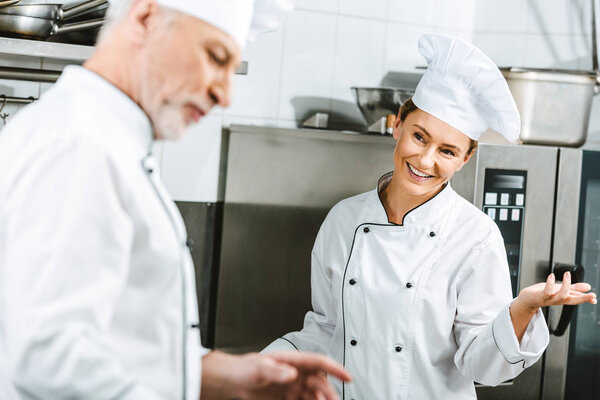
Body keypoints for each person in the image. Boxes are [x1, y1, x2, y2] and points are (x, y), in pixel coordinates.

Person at [0, 0, 351, 399]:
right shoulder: (81, 145)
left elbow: (114, 341)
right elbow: (48, 362)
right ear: (145, 18)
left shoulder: (105, 140)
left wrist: (218, 374)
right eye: (215, 57)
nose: (225, 94)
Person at [263, 33, 597, 399]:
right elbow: (327, 331)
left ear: (465, 159)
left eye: (448, 151)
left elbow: (481, 365)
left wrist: (522, 308)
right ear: (398, 124)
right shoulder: (344, 220)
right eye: (420, 137)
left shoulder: (475, 236)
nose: (425, 161)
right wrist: (258, 368)